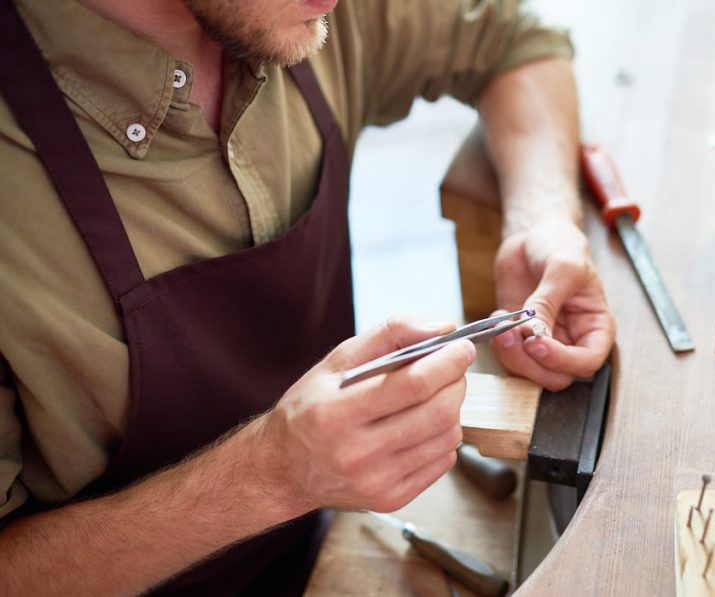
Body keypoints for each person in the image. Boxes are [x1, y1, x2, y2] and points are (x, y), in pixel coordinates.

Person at [0, 0, 615, 593]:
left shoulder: (294, 15)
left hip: (330, 544)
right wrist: (268, 478)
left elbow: (511, 37)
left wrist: (542, 217)